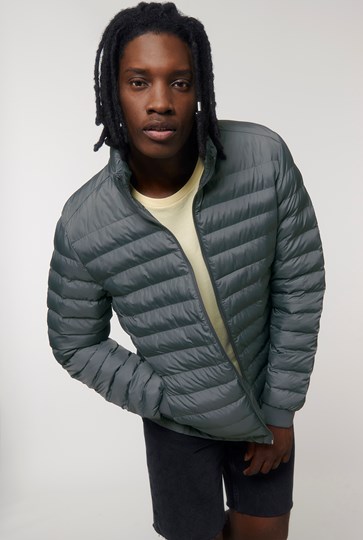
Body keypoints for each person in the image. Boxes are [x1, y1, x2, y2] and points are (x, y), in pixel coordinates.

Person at [47, 3, 325, 539]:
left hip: (262, 402)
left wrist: (282, 410)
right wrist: (167, 397)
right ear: (113, 92)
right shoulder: (84, 222)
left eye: (179, 82)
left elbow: (300, 286)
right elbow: (74, 341)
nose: (160, 101)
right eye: (138, 82)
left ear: (200, 88)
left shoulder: (263, 159)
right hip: (176, 424)